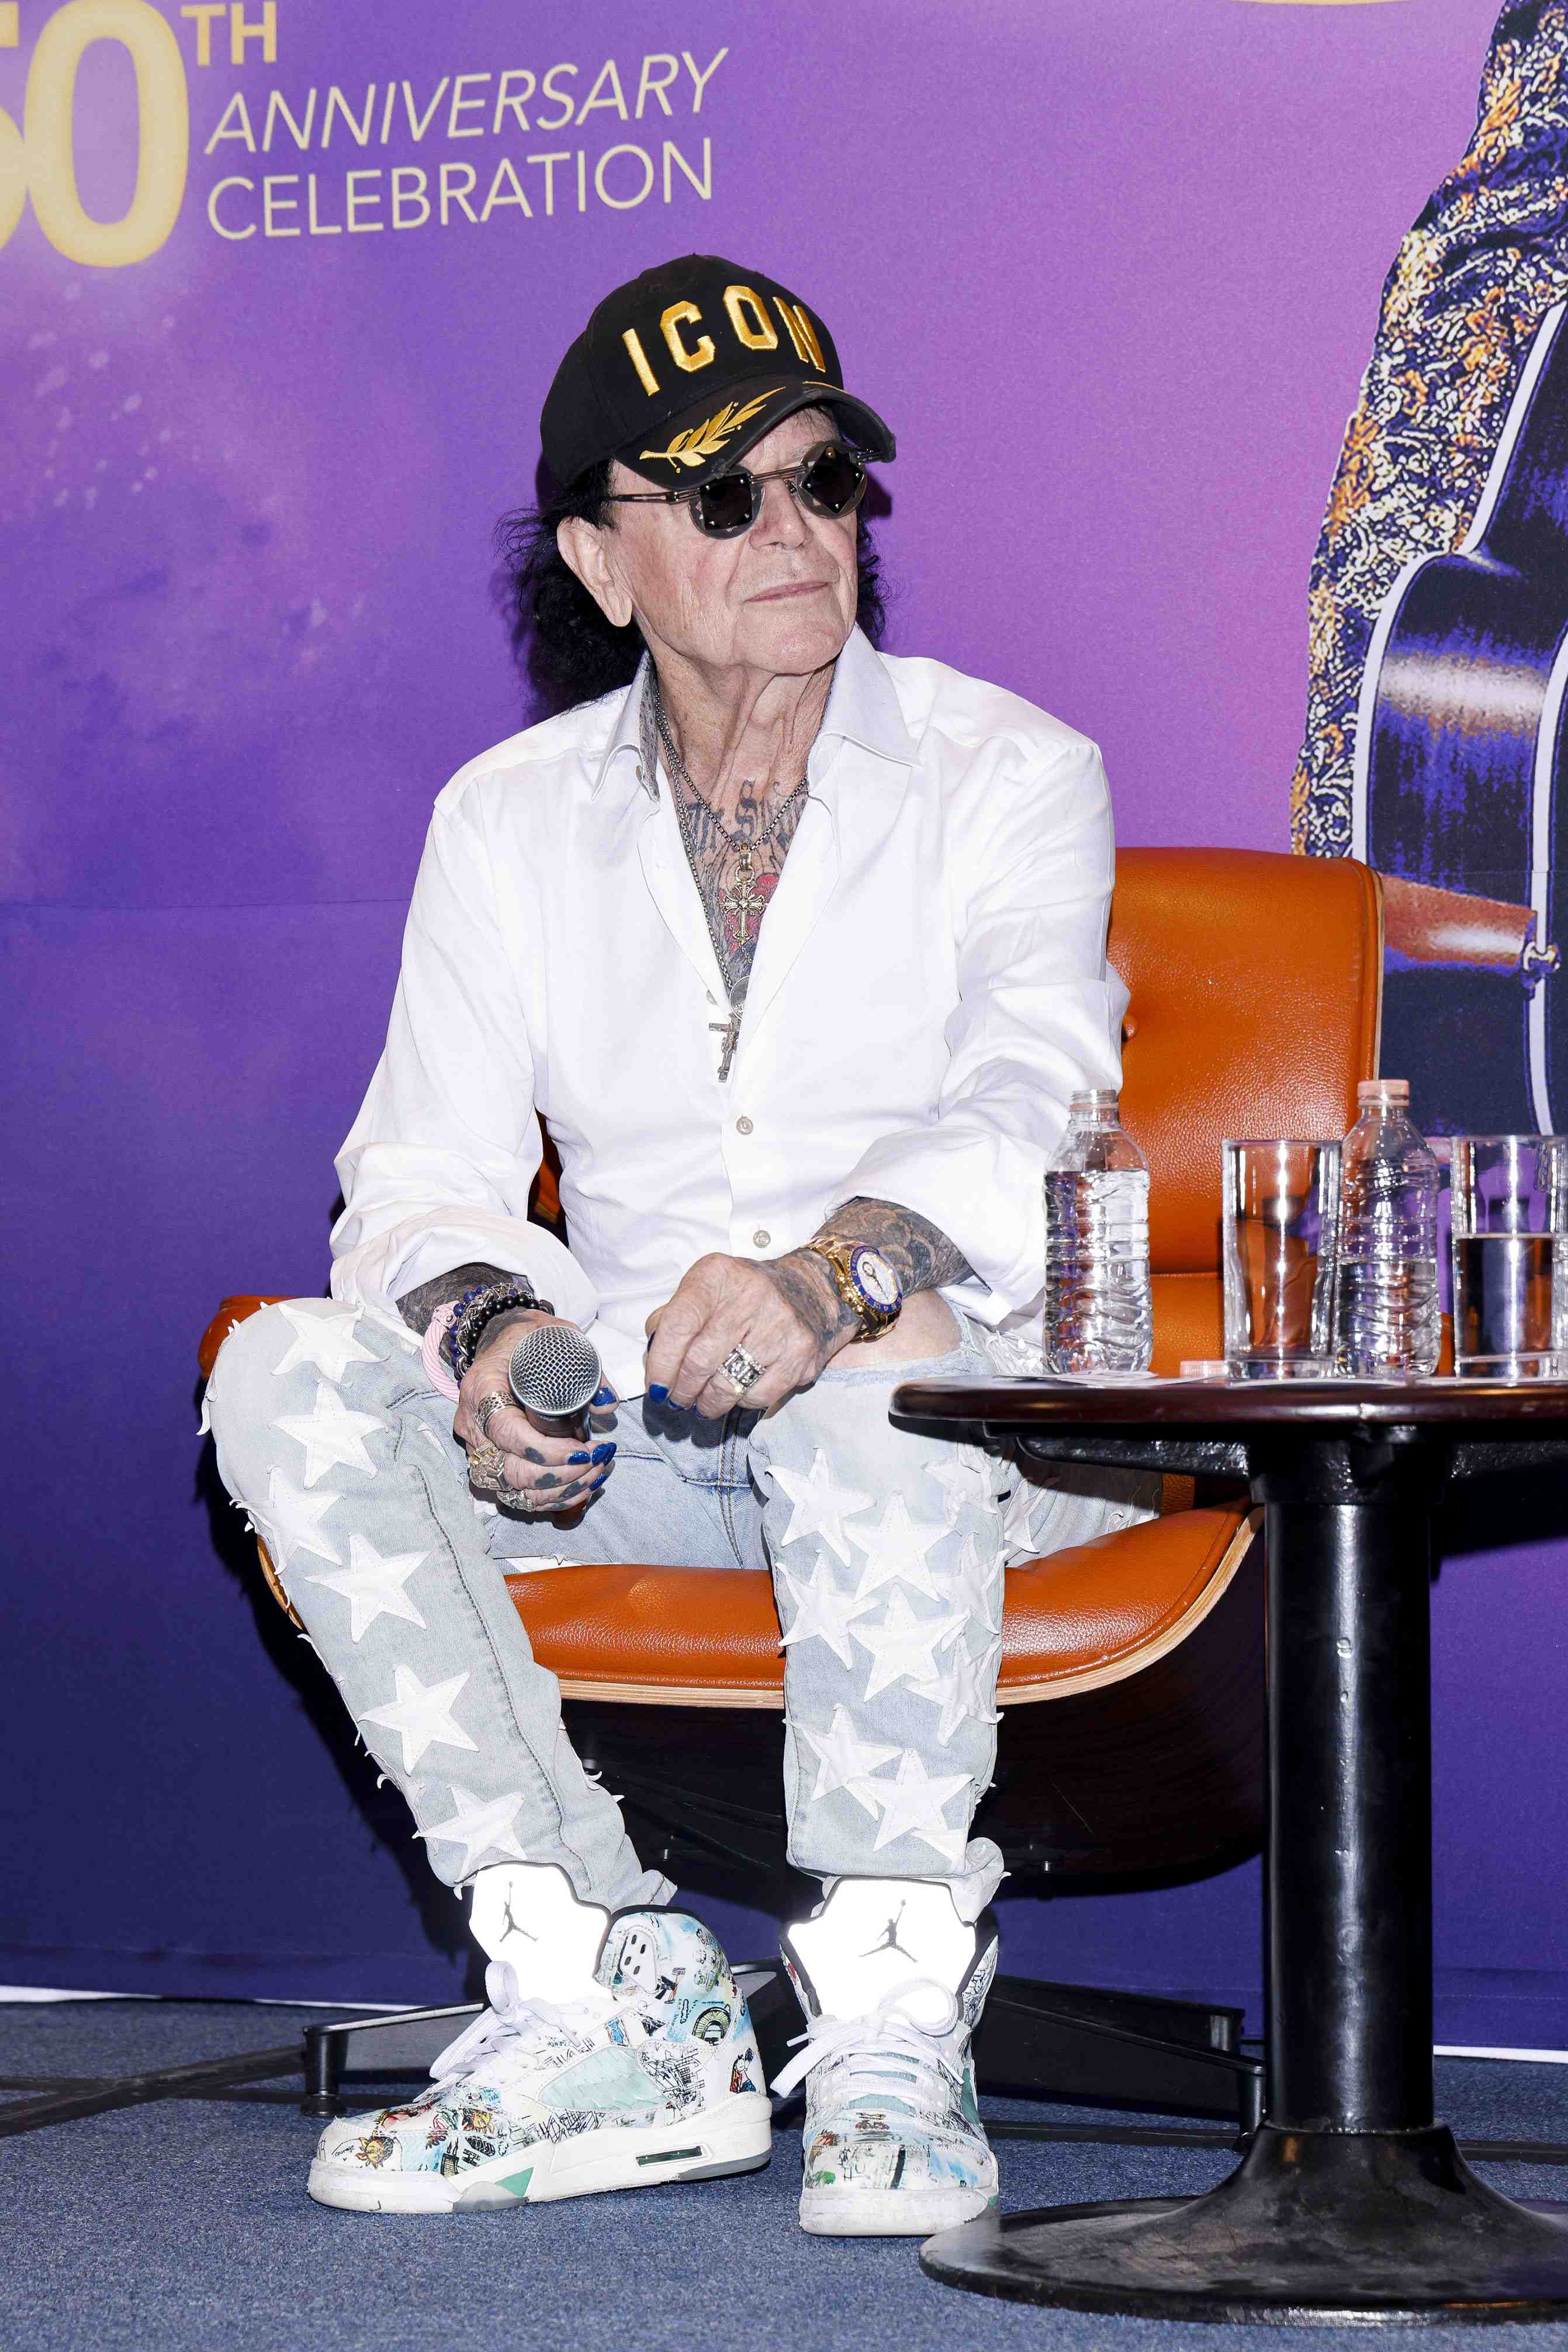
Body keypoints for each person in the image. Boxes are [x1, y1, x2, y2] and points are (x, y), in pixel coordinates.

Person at [206, 252, 1148, 2236]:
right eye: (724, 496)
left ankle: (889, 2003)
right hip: (649, 1439)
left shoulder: (1009, 772)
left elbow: (1031, 1103)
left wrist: (828, 1275)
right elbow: (418, 1170)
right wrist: (494, 1336)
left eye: (824, 481)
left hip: (970, 1435)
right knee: (287, 1370)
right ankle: (595, 1987)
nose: (794, 531)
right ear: (601, 558)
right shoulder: (507, 821)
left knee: (877, 1376)